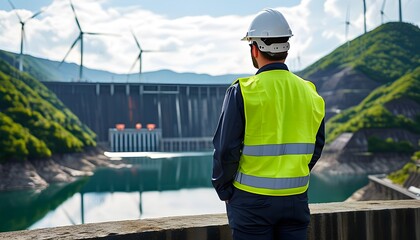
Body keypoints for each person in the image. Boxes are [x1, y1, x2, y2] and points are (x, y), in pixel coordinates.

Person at [212, 8, 325, 240]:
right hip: (295, 199)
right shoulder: (310, 92)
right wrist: (293, 175)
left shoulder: (242, 91)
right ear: (286, 47)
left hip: (251, 201)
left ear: (254, 48)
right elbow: (317, 146)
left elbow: (226, 150)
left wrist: (225, 190)